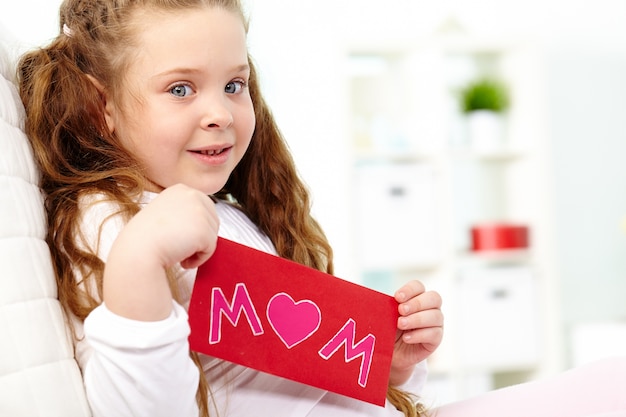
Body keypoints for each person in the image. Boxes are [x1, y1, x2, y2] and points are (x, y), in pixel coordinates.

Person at [17, 1, 443, 416]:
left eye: (234, 86)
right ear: (101, 106)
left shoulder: (228, 214)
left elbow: (296, 383)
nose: (220, 113)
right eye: (180, 89)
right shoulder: (110, 221)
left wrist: (394, 365)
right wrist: (139, 259)